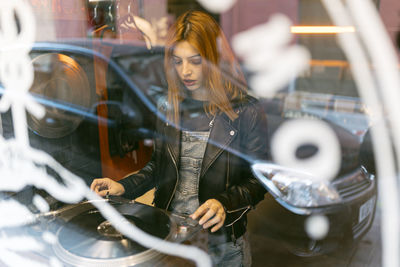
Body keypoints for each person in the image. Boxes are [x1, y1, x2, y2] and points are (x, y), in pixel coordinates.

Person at [91, 10, 269, 267]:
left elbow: (259, 179)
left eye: (195, 61)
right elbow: (157, 168)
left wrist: (224, 203)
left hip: (222, 245)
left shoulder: (245, 111)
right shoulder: (169, 106)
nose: (186, 71)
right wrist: (124, 186)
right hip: (170, 236)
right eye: (177, 61)